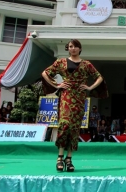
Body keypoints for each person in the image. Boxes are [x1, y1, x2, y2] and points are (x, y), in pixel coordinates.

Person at [42, 39, 104, 172]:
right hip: (66, 96)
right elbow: (45, 73)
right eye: (70, 46)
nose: (73, 48)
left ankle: (69, 159)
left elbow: (99, 77)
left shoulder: (86, 64)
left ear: (80, 49)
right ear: (68, 48)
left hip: (80, 98)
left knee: (75, 128)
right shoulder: (61, 62)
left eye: (76, 46)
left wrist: (89, 87)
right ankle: (59, 157)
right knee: (65, 124)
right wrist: (56, 85)